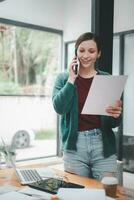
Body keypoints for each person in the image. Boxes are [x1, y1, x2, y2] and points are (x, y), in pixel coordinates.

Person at [52, 32, 122, 181]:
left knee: (106, 192)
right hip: (74, 146)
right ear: (76, 52)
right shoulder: (64, 78)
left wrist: (116, 115)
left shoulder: (107, 79)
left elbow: (114, 123)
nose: (85, 55)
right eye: (81, 50)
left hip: (103, 146)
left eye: (91, 51)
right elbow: (59, 108)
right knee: (77, 193)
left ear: (99, 54)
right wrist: (72, 79)